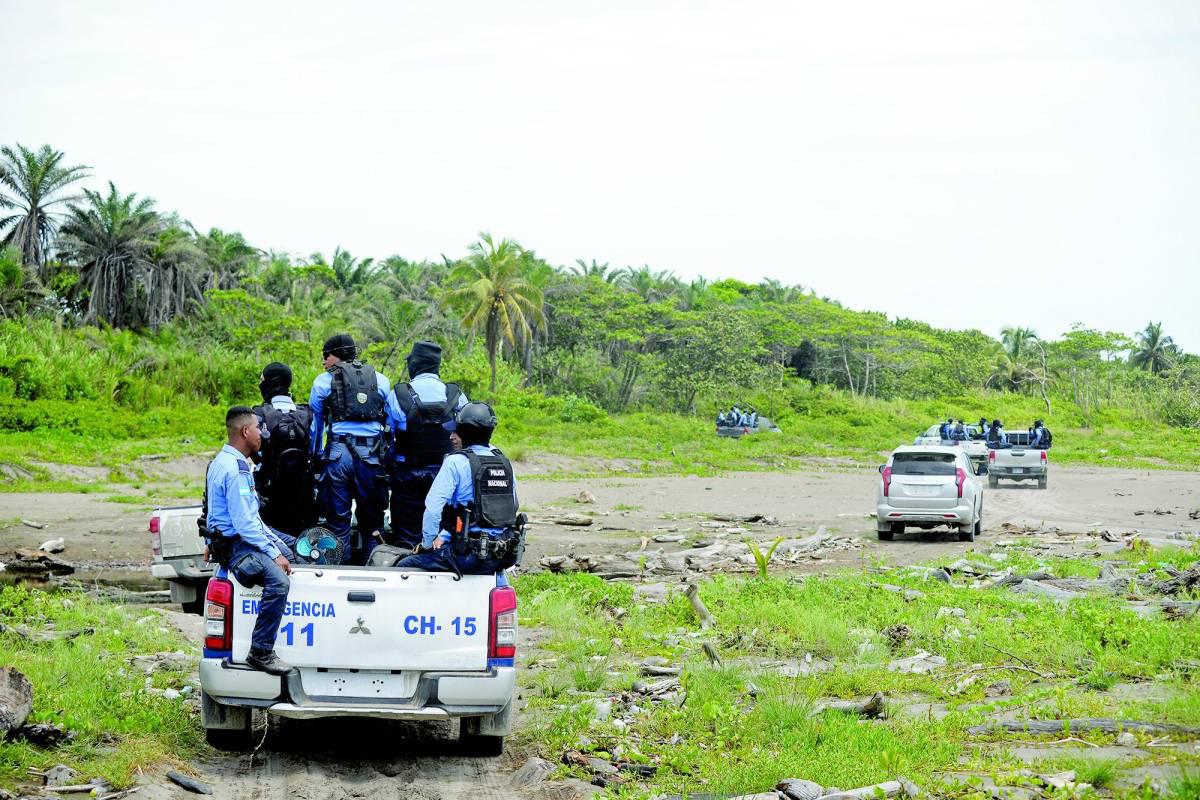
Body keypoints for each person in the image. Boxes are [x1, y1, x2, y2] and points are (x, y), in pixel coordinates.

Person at [205, 406, 295, 675]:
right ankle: (261, 650)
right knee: (279, 582)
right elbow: (245, 524)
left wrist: (278, 546)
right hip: (237, 546)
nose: (261, 434)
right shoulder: (236, 470)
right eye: (258, 428)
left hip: (233, 538)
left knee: (293, 549)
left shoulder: (220, 461)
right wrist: (272, 551)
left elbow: (217, 511)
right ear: (245, 431)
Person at [394, 403, 522, 575]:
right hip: (501, 555)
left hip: (469, 557)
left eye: (457, 430)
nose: (451, 437)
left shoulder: (456, 462)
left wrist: (427, 545)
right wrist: (445, 536)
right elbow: (513, 505)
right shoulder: (503, 461)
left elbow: (433, 510)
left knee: (404, 566)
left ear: (466, 432)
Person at [309, 334, 391, 564]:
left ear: (337, 355)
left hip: (338, 455)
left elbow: (316, 425)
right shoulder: (381, 380)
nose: (324, 362)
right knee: (373, 524)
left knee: (338, 522)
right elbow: (390, 423)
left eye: (326, 356)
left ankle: (339, 569)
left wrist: (316, 456)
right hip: (372, 457)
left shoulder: (323, 382)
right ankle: (375, 569)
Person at [386, 341, 468, 550]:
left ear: (414, 365)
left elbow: (387, 434)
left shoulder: (398, 394)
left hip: (407, 475)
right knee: (444, 526)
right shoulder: (456, 395)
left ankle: (405, 559)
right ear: (436, 366)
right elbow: (467, 433)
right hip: (446, 474)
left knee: (405, 532)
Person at [252, 362, 316, 537]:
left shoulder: (259, 414)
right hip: (303, 493)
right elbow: (316, 450)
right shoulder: (307, 414)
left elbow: (255, 451)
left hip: (271, 493)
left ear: (267, 384)